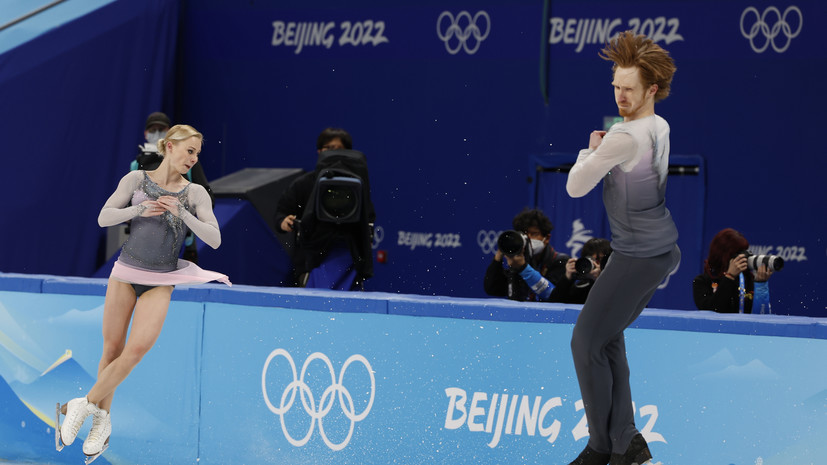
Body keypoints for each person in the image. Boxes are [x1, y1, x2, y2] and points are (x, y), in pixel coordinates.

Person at [56, 125, 230, 460]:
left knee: (135, 351)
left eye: (197, 153)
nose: (193, 158)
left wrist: (182, 214)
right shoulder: (136, 181)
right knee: (111, 350)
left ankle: (82, 405)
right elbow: (104, 218)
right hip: (125, 273)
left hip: (161, 279)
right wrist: (138, 210)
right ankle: (101, 425)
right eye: (189, 150)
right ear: (169, 146)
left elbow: (215, 238)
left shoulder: (195, 194)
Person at [564, 31, 680, 465]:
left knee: (583, 342)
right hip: (660, 252)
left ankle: (601, 446)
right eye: (615, 86)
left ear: (652, 89)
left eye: (629, 89)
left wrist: (588, 151)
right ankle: (625, 443)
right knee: (606, 339)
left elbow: (576, 187)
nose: (620, 96)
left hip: (637, 256)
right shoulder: (660, 126)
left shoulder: (622, 138)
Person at [274, 128, 375, 289]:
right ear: (320, 151)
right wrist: (284, 221)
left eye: (338, 148)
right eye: (328, 148)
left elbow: (368, 217)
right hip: (311, 262)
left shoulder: (358, 186)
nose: (334, 153)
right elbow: (280, 214)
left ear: (348, 152)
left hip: (350, 258)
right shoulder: (303, 184)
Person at [130, 112, 214, 263]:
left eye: (161, 129)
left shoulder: (187, 162)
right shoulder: (137, 165)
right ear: (146, 133)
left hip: (183, 234)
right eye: (153, 130)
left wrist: (190, 214)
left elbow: (206, 195)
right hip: (146, 235)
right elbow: (127, 201)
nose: (157, 134)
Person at [484, 208, 569, 301]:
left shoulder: (561, 261)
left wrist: (523, 268)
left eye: (534, 234)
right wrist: (499, 255)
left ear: (547, 238)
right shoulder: (516, 260)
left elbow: (552, 295)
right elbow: (492, 289)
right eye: (523, 234)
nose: (528, 238)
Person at [692, 228, 774, 314]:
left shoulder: (747, 279)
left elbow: (761, 315)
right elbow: (713, 310)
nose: (743, 257)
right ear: (724, 255)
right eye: (738, 253)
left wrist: (761, 285)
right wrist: (729, 277)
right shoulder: (702, 281)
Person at [548, 238, 612, 304]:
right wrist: (567, 278)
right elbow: (554, 305)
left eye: (600, 260)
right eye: (591, 260)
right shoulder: (581, 286)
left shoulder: (617, 284)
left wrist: (600, 279)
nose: (595, 264)